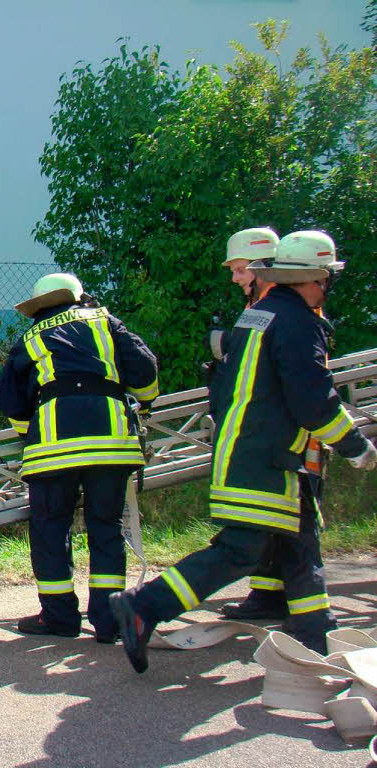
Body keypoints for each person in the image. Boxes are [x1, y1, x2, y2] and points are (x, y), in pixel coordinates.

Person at [111, 231, 377, 672]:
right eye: (325, 280)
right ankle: (145, 604)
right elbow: (313, 401)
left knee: (298, 544)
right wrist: (356, 447)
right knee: (240, 550)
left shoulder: (260, 317)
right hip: (268, 460)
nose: (326, 289)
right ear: (312, 277)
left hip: (252, 453)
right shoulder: (298, 323)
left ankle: (316, 639)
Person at [0, 273, 159, 642]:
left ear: (38, 307)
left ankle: (59, 618)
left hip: (53, 451)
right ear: (78, 297)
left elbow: (11, 400)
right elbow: (145, 369)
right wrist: (144, 402)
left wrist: (30, 430)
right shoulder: (106, 322)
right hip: (110, 446)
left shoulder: (30, 338)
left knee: (51, 530)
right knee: (106, 528)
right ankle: (109, 621)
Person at [214, 228, 288, 621]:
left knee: (276, 525)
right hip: (266, 434)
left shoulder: (280, 308)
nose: (235, 278)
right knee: (274, 524)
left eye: (241, 270)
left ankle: (305, 617)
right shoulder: (263, 306)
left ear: (265, 267)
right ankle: (269, 596)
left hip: (274, 437)